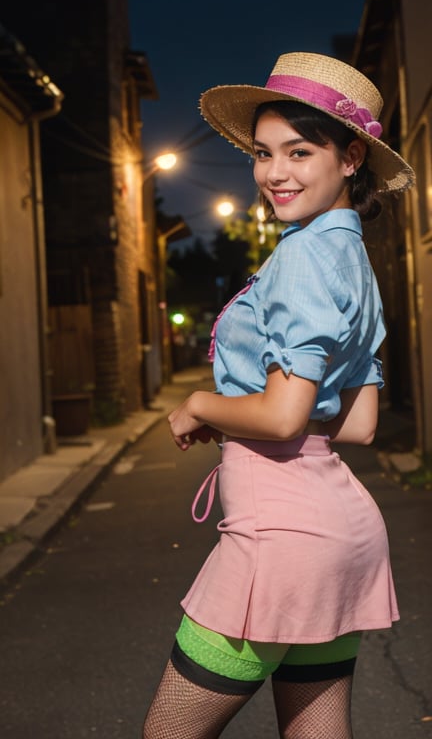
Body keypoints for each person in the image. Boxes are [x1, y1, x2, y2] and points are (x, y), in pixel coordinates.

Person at [142, 52, 415, 739]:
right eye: (263, 154)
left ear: (351, 156)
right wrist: (248, 417)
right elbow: (357, 425)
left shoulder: (300, 257)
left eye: (299, 151)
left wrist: (203, 405)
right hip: (341, 534)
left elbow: (286, 412)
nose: (274, 174)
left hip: (282, 541)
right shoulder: (353, 258)